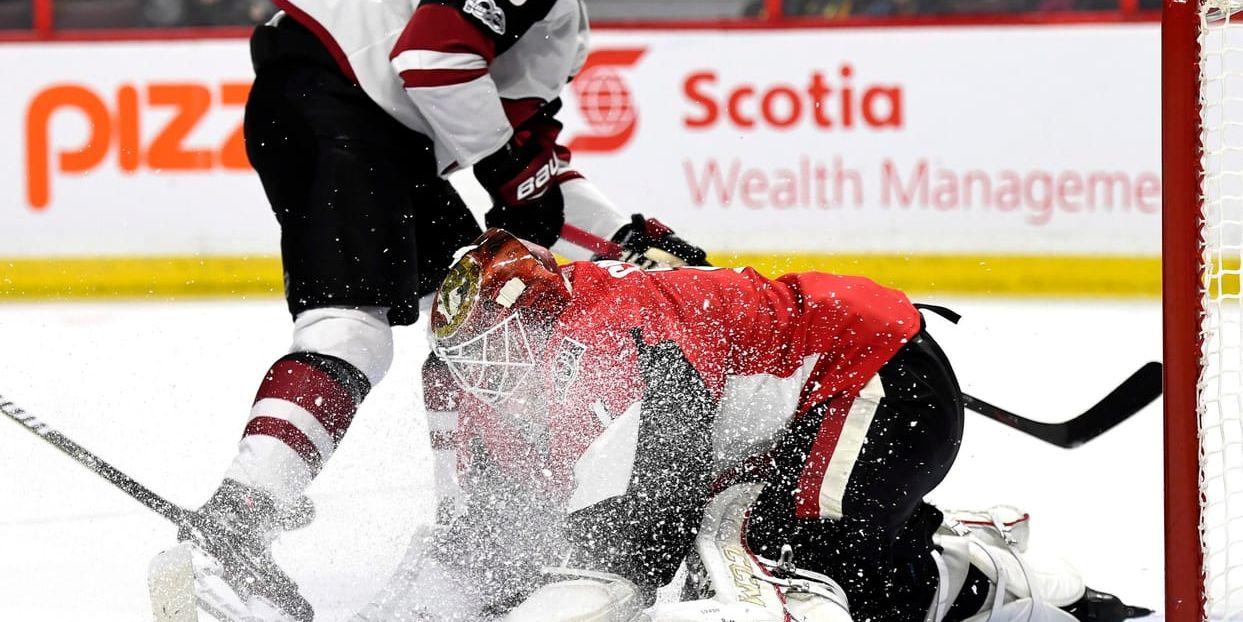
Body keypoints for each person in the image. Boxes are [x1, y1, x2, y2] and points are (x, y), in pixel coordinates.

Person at [159, 0, 708, 619]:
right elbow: (434, 59)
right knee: (348, 332)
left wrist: (630, 237)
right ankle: (234, 530)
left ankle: (476, 540)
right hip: (344, 108)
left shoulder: (542, 33)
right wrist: (507, 168)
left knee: (476, 313)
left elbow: (536, 182)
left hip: (368, 122)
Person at [354, 229, 1151, 622]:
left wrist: (599, 576)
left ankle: (988, 572)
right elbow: (510, 516)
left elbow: (654, 502)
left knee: (767, 557)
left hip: (877, 380)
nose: (484, 376)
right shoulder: (533, 362)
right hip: (829, 404)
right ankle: (994, 580)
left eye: (496, 350)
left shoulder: (621, 325)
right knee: (827, 567)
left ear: (540, 319)